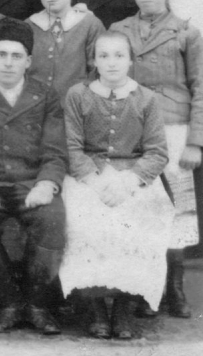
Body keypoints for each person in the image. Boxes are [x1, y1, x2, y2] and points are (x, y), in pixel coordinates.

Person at [60, 32, 174, 340]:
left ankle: (124, 308)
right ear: (94, 61)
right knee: (86, 218)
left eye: (119, 55)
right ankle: (96, 308)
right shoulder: (78, 95)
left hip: (132, 176)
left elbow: (157, 152)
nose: (111, 63)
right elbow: (72, 147)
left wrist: (129, 181)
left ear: (130, 60)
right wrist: (96, 182)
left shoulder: (146, 98)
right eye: (104, 56)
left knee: (140, 216)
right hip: (89, 175)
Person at [0, 19, 67, 335]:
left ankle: (38, 306)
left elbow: (55, 151)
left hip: (31, 183)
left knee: (51, 217)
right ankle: (8, 303)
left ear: (28, 61)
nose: (8, 63)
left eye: (16, 56)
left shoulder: (46, 95)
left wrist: (46, 184)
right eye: (2, 54)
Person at [112, 0, 202, 318]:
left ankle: (174, 288)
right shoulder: (119, 30)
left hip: (174, 128)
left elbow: (200, 87)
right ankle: (145, 287)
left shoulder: (186, 33)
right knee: (141, 208)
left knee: (177, 208)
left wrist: (195, 141)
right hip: (132, 128)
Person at [26, 0, 105, 99]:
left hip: (78, 104)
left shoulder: (90, 24)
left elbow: (99, 72)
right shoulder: (29, 25)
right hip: (35, 105)